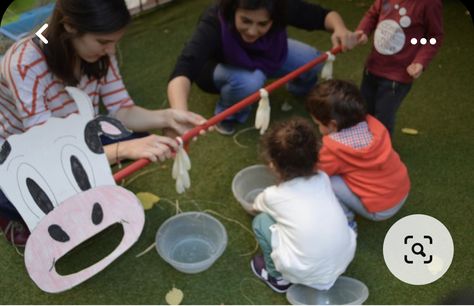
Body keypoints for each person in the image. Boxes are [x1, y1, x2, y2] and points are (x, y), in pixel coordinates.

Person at [0, 0, 206, 247]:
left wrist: (167, 116)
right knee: (25, 195)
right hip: (25, 151)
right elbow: (49, 153)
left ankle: (88, 176)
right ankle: (13, 216)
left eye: (114, 42)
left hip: (77, 133)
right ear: (70, 27)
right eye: (103, 42)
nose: (110, 51)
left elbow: (121, 110)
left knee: (139, 137)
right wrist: (123, 150)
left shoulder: (93, 48)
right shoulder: (24, 63)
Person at [167, 0, 359, 135]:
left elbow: (324, 16)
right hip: (217, 67)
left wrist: (340, 29)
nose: (252, 31)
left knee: (312, 59)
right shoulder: (214, 20)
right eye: (246, 21)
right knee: (251, 80)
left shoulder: (281, 6)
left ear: (274, 18)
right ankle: (229, 114)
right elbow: (184, 68)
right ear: (233, 10)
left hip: (266, 55)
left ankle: (301, 90)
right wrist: (180, 115)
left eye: (262, 24)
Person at [250, 117, 356, 293]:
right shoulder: (322, 178)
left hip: (303, 271)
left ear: (273, 165)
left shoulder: (273, 196)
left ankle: (277, 277)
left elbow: (255, 206)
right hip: (342, 260)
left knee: (261, 221)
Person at [305, 80, 410, 225]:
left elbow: (313, 171)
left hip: (380, 210)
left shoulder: (334, 151)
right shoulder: (375, 127)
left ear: (333, 124)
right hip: (401, 191)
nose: (318, 128)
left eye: (318, 124)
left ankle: (347, 224)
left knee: (324, 180)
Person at [355, 0, 444, 135]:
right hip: (372, 67)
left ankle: (381, 152)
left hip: (397, 77)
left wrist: (420, 61)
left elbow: (435, 36)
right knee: (363, 110)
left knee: (382, 119)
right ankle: (363, 144)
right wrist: (363, 31)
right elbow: (373, 14)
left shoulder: (429, 3)